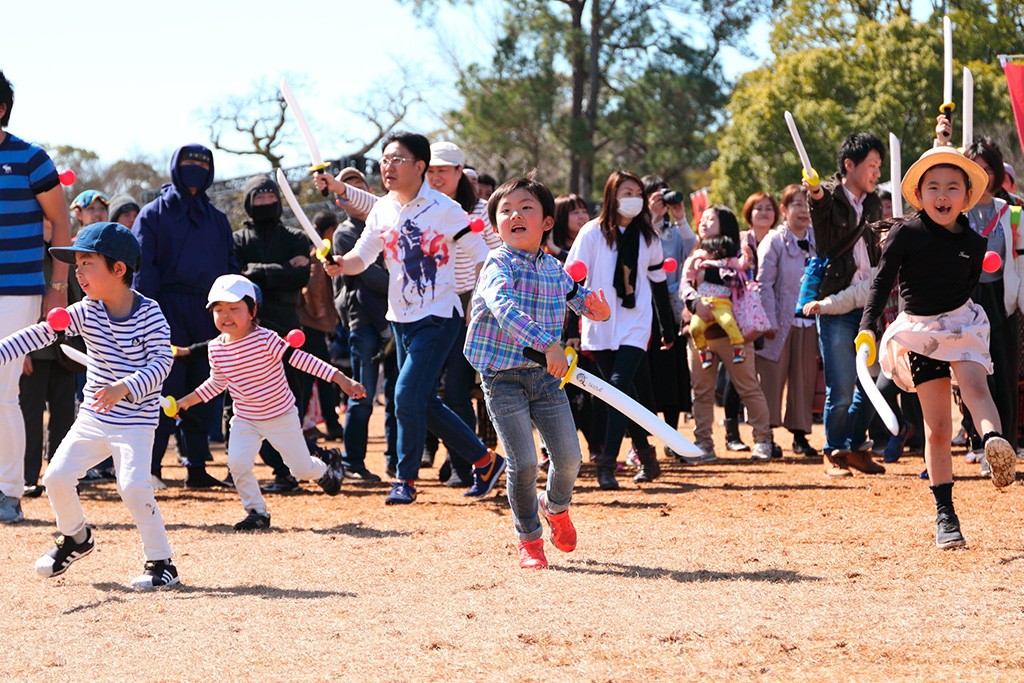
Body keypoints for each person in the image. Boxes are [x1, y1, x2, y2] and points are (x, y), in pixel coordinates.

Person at [317, 131, 505, 505]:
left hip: (439, 316)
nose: (388, 166)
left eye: (397, 159)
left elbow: (483, 255)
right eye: (385, 160)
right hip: (399, 318)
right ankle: (485, 463)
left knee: (403, 395)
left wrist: (488, 302)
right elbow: (362, 255)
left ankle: (405, 480)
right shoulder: (383, 209)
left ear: (420, 166)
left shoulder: (446, 208)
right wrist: (340, 266)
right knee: (424, 401)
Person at [0, 222, 178, 587]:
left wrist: (125, 387)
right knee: (56, 478)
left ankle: (162, 564)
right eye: (77, 265)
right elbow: (41, 333)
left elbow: (162, 363)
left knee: (132, 487)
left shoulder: (150, 313)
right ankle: (76, 537)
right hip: (94, 419)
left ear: (119, 269)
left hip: (135, 423)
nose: (77, 272)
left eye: (87, 263)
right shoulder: (85, 310)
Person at [859, 146, 1016, 549]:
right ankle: (945, 514)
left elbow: (966, 288)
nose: (942, 194)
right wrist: (867, 329)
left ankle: (993, 443)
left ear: (966, 196)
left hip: (961, 322)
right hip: (920, 332)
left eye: (952, 187)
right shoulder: (906, 234)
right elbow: (881, 284)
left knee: (975, 387)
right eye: (933, 187)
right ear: (920, 195)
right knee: (938, 427)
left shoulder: (974, 241)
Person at [465, 174, 610, 568]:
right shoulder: (497, 264)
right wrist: (547, 343)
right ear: (496, 226)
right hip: (502, 377)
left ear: (547, 222)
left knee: (568, 458)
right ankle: (529, 540)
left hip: (546, 378)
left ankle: (556, 507)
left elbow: (573, 295)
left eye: (526, 207)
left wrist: (593, 309)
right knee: (524, 463)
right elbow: (503, 307)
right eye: (506, 210)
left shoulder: (553, 267)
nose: (516, 215)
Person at [175, 275, 364, 530]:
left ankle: (323, 470)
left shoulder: (267, 339)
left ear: (252, 311)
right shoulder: (216, 348)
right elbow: (217, 383)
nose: (226, 316)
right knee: (238, 465)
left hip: (281, 416)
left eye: (234, 309)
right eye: (218, 310)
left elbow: (304, 361)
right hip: (245, 419)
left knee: (300, 469)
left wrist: (341, 379)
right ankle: (257, 513)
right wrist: (186, 401)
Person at [133, 144, 236, 488]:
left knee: (203, 390)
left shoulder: (218, 220)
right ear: (175, 166)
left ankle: (196, 467)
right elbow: (142, 270)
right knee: (163, 389)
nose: (196, 169)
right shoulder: (153, 214)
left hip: (210, 313)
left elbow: (231, 270)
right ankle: (150, 468)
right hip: (166, 310)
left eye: (203, 164)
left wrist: (233, 313)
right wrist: (146, 318)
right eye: (189, 163)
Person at [566, 170, 677, 488]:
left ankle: (606, 464)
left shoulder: (649, 238)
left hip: (635, 323)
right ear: (611, 196)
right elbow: (571, 281)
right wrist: (574, 323)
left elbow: (658, 286)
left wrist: (666, 329)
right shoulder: (591, 233)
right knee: (625, 394)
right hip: (599, 323)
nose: (634, 199)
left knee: (615, 389)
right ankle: (646, 454)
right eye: (626, 192)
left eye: (638, 193)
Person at [0, 70, 72, 523]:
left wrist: (57, 289)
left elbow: (62, 226)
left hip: (18, 291)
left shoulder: (31, 158)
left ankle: (8, 491)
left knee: (4, 393)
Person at [804, 133, 886, 478]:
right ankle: (834, 452)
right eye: (872, 165)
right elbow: (819, 202)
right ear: (849, 166)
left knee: (873, 382)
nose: (877, 173)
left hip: (870, 302)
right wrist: (813, 190)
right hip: (835, 300)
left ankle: (854, 446)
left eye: (879, 167)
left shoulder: (874, 203)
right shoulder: (830, 199)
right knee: (841, 385)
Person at [426, 141, 502, 484]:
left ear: (460, 172)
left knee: (457, 392)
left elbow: (498, 258)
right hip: (424, 308)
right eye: (430, 170)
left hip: (469, 308)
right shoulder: (420, 207)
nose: (436, 176)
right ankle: (452, 460)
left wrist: (481, 302)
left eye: (443, 169)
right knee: (422, 393)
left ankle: (464, 466)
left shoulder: (485, 211)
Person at [232, 174, 312, 491]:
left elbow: (301, 276)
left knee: (290, 391)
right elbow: (233, 276)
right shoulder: (238, 240)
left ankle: (288, 469)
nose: (266, 203)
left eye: (270, 198)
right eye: (259, 198)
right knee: (240, 393)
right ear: (249, 204)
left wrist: (255, 271)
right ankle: (239, 466)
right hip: (245, 325)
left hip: (286, 320)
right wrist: (280, 270)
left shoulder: (294, 236)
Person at [681, 206, 775, 462]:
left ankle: (763, 441)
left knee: (748, 387)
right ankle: (703, 445)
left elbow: (746, 281)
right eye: (703, 218)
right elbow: (684, 287)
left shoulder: (741, 252)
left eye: (711, 218)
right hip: (700, 335)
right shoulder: (694, 254)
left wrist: (709, 273)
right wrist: (695, 303)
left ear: (725, 223)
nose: (703, 222)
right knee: (701, 392)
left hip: (736, 335)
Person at [327, 167, 390, 481]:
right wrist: (402, 283)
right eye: (345, 190)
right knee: (361, 392)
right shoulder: (344, 233)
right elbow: (365, 272)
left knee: (396, 393)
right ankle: (353, 461)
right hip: (361, 321)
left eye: (359, 188)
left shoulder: (390, 222)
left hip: (396, 316)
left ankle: (395, 459)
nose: (353, 195)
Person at [756, 184, 819, 458]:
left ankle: (800, 435)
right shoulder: (774, 241)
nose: (803, 210)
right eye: (797, 204)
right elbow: (763, 284)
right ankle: (765, 436)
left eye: (807, 205)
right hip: (778, 323)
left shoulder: (817, 239)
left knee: (803, 379)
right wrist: (768, 319)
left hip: (807, 321)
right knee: (771, 377)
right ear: (784, 210)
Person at [297, 210, 344, 442]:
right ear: (328, 231)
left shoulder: (315, 251)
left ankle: (330, 422)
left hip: (312, 324)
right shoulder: (318, 253)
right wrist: (319, 313)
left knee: (319, 372)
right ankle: (299, 424)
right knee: (312, 373)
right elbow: (313, 286)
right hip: (311, 324)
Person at [684, 234, 751, 367]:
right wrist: (693, 260)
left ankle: (738, 347)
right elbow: (688, 276)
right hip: (704, 302)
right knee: (695, 328)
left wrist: (746, 254)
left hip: (722, 303)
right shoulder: (699, 264)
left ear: (714, 251)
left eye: (704, 249)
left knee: (728, 322)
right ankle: (703, 350)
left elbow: (741, 264)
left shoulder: (727, 262)